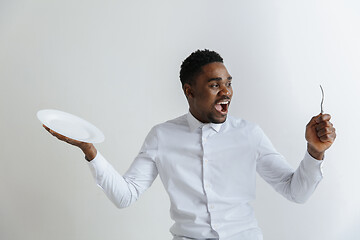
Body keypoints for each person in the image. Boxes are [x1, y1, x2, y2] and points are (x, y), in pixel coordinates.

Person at [43, 49, 336, 240]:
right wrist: (91, 152)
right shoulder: (162, 136)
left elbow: (296, 193)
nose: (226, 92)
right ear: (189, 90)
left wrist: (314, 152)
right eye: (214, 84)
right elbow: (125, 196)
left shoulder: (250, 133)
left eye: (228, 83)